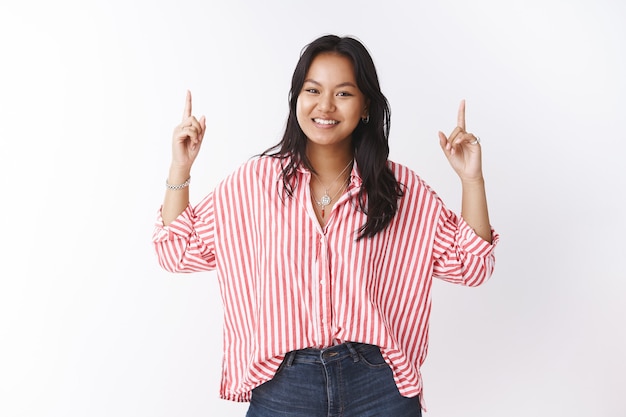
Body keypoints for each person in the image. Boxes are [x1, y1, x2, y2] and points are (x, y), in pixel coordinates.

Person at [153, 34, 498, 417]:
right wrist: (180, 168)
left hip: (377, 387)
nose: (325, 106)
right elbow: (176, 251)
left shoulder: (398, 190)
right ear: (296, 98)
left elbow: (472, 265)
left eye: (344, 93)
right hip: (283, 386)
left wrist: (471, 180)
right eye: (312, 90)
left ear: (365, 104)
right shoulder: (253, 183)